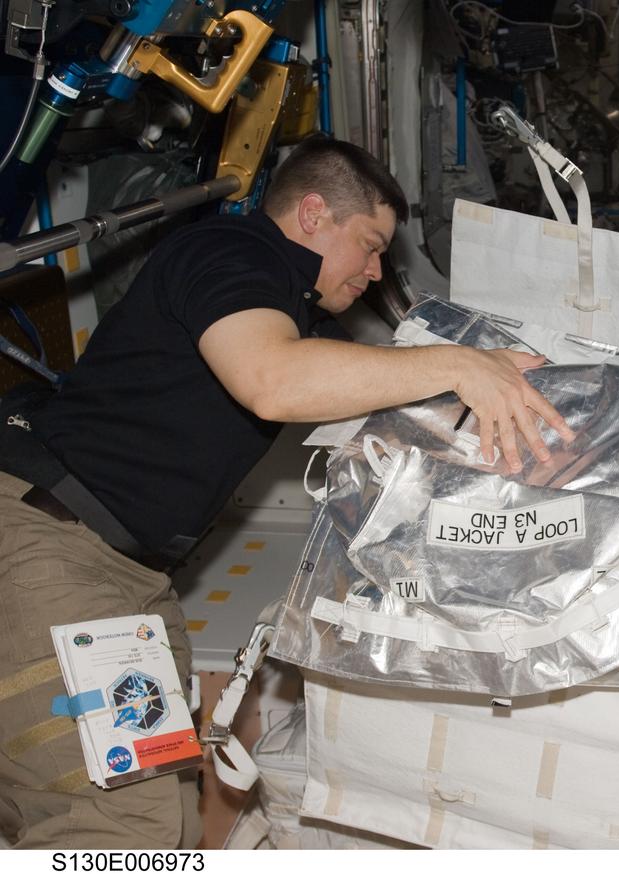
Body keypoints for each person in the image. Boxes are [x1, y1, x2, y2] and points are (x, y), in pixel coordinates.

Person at [0, 136, 573, 848]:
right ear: (310, 213)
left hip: (122, 573)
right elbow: (272, 381)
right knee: (116, 830)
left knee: (145, 819)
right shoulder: (229, 254)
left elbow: (333, 381)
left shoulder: (284, 303)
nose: (373, 271)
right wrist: (460, 364)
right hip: (54, 554)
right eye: (368, 245)